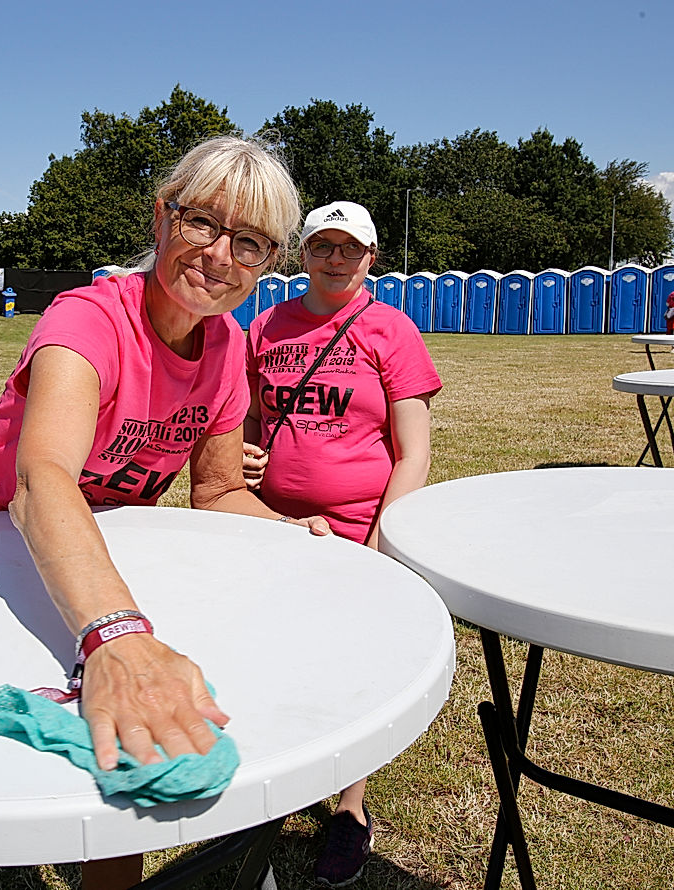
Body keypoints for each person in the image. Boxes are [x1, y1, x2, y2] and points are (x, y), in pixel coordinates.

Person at [0, 135, 330, 890]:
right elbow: (43, 479)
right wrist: (116, 634)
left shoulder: (226, 346)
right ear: (161, 218)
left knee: (132, 765)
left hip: (99, 568)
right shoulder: (87, 320)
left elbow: (218, 490)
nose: (219, 255)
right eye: (202, 222)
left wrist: (286, 530)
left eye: (249, 242)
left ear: (268, 262)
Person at [242, 201, 442, 886]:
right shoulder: (266, 325)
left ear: (370, 257)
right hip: (272, 524)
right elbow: (251, 416)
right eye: (322, 246)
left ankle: (350, 811)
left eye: (349, 248)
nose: (335, 259)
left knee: (354, 667)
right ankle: (277, 781)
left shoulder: (391, 329)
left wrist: (381, 541)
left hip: (357, 528)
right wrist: (245, 458)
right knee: (276, 653)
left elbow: (413, 453)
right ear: (302, 254)